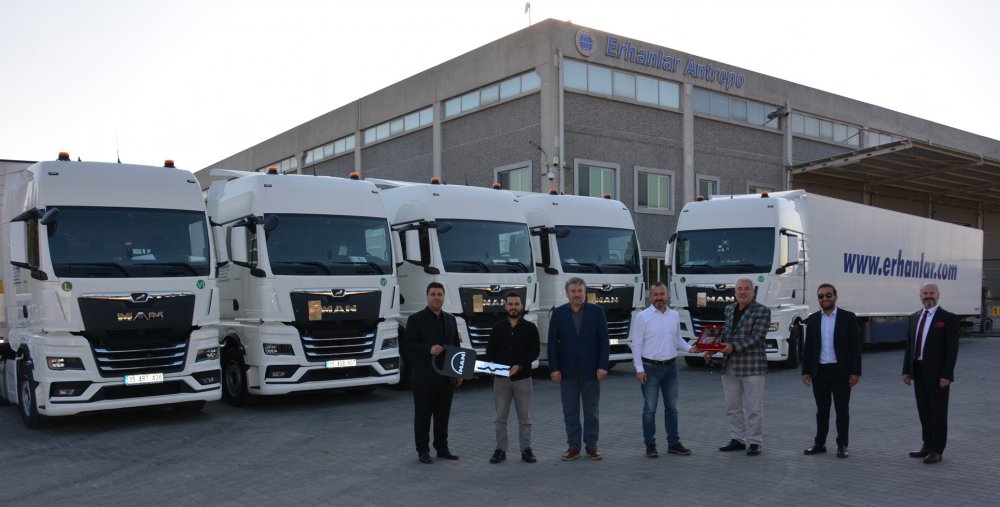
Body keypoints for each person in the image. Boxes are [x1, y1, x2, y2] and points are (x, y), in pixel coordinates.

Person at [705, 277, 770, 456]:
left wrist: (733, 347)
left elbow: (757, 337)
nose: (742, 292)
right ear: (735, 292)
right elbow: (726, 334)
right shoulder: (729, 309)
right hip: (729, 366)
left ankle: (755, 442)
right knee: (732, 406)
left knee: (754, 408)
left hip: (752, 366)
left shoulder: (762, 311)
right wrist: (712, 348)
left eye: (746, 289)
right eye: (739, 289)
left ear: (753, 291)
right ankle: (737, 439)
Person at [548, 277, 610, 461]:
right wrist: (554, 368)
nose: (577, 294)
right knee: (570, 412)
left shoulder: (597, 312)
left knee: (592, 412)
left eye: (580, 291)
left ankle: (591, 446)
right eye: (573, 291)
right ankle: (573, 447)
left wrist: (603, 365)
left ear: (585, 292)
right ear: (567, 294)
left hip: (592, 370)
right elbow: (552, 343)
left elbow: (604, 341)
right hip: (567, 371)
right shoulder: (558, 314)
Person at [630, 283, 693, 458]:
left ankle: (674, 443)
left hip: (671, 368)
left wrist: (691, 349)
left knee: (672, 408)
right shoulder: (642, 317)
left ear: (668, 295)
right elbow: (637, 344)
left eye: (662, 294)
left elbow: (678, 339)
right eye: (655, 294)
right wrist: (639, 369)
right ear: (650, 297)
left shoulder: (674, 315)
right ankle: (650, 445)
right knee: (649, 409)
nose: (659, 297)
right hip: (650, 369)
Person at [403, 282, 462, 464]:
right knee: (423, 417)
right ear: (427, 296)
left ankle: (442, 448)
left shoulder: (450, 319)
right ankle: (423, 451)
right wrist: (429, 349)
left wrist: (458, 372)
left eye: (439, 294)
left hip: (446, 378)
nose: (436, 297)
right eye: (433, 294)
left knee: (443, 416)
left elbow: (456, 347)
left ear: (444, 297)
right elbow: (408, 344)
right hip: (423, 378)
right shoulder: (416, 319)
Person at [801, 283, 862, 459]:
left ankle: (842, 445)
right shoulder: (813, 319)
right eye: (821, 296)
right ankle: (819, 443)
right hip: (819, 371)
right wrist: (805, 371)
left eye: (828, 295)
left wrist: (856, 372)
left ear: (835, 297)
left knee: (842, 410)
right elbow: (808, 347)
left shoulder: (848, 318)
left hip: (841, 371)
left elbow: (855, 347)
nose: (825, 299)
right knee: (822, 410)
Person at [902, 282, 959, 464]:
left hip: (938, 375)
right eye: (925, 293)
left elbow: (952, 350)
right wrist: (906, 371)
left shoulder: (947, 318)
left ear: (938, 295)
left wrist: (947, 375)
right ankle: (926, 445)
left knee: (938, 412)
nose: (928, 296)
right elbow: (909, 346)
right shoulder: (914, 317)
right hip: (918, 372)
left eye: (931, 293)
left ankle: (937, 449)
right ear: (920, 296)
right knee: (924, 411)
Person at [485, 292, 540, 464]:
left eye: (516, 304)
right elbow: (489, 352)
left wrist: (520, 365)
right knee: (500, 418)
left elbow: (535, 351)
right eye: (510, 304)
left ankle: (526, 450)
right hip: (501, 380)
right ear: (505, 306)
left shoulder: (530, 328)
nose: (513, 307)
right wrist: (490, 366)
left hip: (523, 379)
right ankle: (500, 450)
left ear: (521, 306)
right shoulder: (497, 328)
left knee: (525, 419)